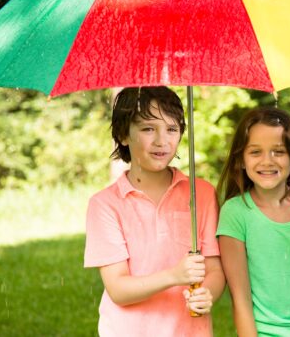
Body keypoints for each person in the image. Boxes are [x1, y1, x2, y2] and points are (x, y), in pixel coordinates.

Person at [84, 86, 225, 337]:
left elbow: (214, 270)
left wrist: (207, 293)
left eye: (172, 129)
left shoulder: (201, 194)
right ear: (123, 134)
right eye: (148, 129)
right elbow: (118, 289)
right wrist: (174, 275)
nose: (162, 141)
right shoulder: (105, 205)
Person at [216, 107, 290, 336]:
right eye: (255, 152)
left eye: (278, 151)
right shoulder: (236, 212)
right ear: (241, 160)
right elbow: (240, 300)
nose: (267, 161)